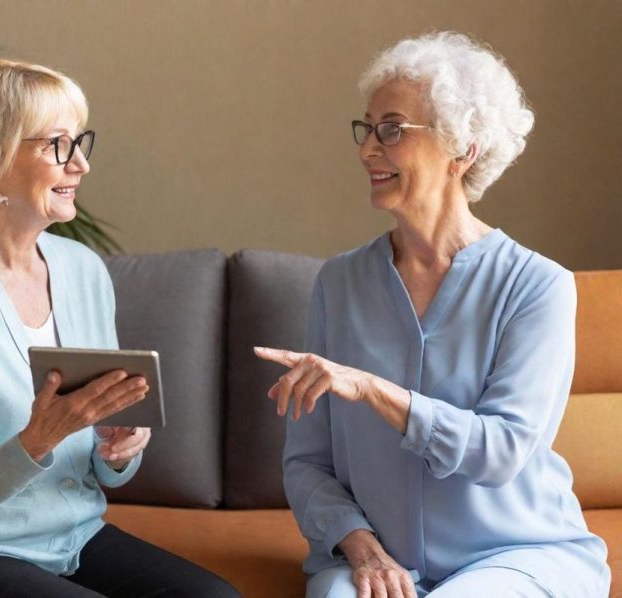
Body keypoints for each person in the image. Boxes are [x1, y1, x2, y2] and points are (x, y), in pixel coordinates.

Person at [255, 32, 611, 597]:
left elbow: (501, 452)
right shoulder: (340, 282)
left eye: (391, 130)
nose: (368, 149)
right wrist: (360, 546)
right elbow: (308, 463)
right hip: (377, 560)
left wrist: (372, 389)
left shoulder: (538, 286)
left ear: (462, 147)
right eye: (367, 129)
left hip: (515, 555)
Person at [0, 58, 238, 598]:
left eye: (80, 142)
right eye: (58, 145)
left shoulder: (83, 270)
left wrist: (117, 445)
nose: (82, 166)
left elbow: (102, 465)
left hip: (69, 537)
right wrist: (37, 438)